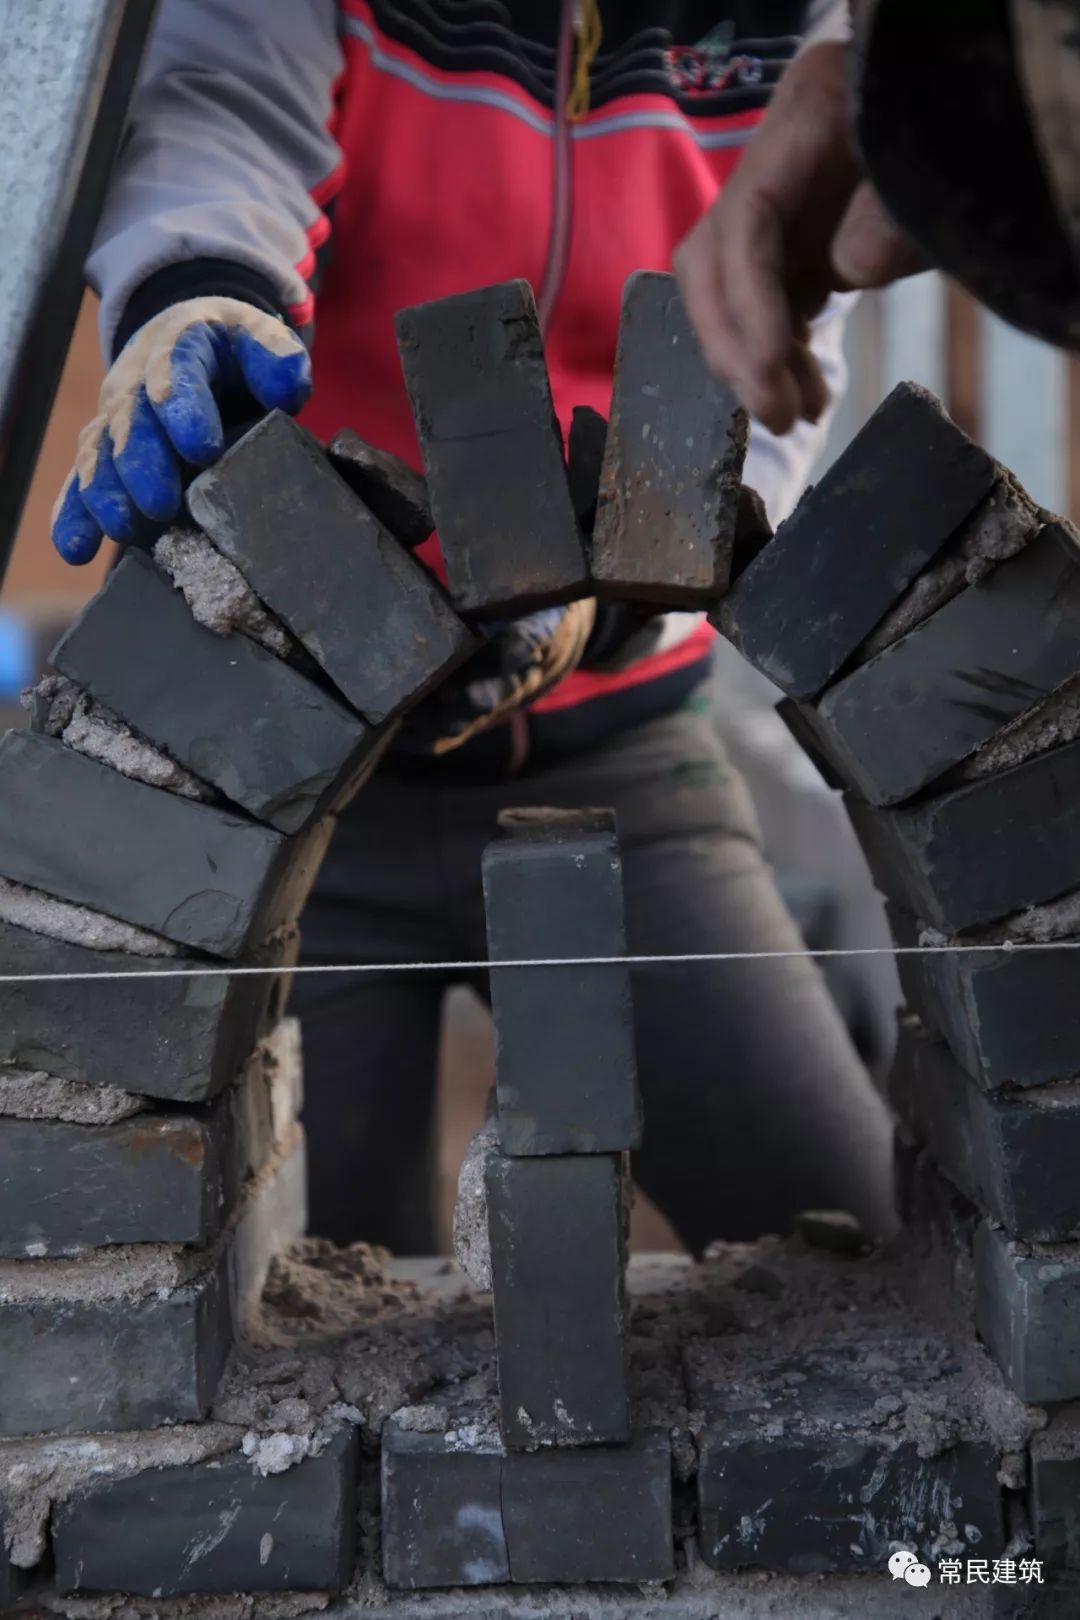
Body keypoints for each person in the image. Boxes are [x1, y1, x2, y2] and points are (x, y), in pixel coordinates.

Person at [52, 0, 895, 1256]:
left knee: (857, 1240)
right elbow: (218, 109)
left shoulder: (797, 26)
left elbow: (763, 383)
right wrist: (191, 290)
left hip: (622, 768)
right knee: (299, 1320)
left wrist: (602, 613)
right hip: (307, 785)